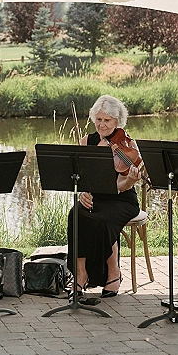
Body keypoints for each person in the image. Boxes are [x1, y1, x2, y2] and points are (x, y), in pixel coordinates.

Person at [69, 95, 141, 302]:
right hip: (94, 198)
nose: (102, 124)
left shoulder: (127, 145)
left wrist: (130, 181)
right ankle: (81, 274)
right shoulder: (86, 142)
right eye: (99, 119)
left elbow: (121, 185)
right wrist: (82, 192)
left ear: (118, 121)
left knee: (102, 220)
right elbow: (80, 178)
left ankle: (113, 272)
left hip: (121, 200)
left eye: (107, 120)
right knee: (76, 213)